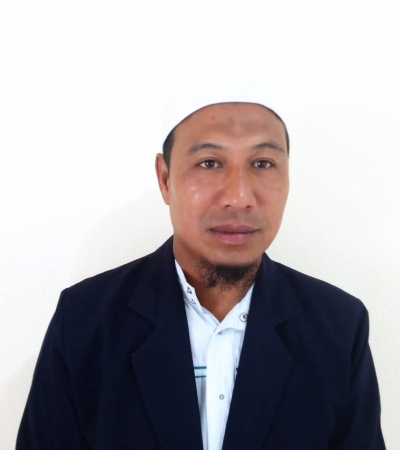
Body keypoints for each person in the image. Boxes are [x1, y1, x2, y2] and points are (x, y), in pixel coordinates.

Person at [17, 80, 385, 449]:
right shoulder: (85, 321)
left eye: (262, 163)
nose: (239, 197)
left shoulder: (338, 327)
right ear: (165, 179)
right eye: (209, 163)